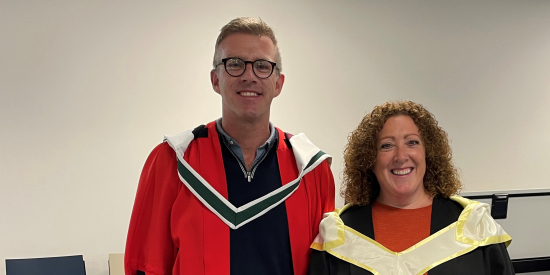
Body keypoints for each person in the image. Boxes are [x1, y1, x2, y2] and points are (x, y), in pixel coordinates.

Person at [124, 17, 335, 275]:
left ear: (278, 84)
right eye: (234, 64)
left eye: (262, 66)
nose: (249, 76)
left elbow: (325, 268)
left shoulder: (311, 170)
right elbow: (146, 265)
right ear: (215, 80)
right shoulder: (172, 162)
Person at [308, 101, 514, 275]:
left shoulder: (474, 226)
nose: (400, 156)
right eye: (386, 145)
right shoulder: (339, 234)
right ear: (369, 159)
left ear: (428, 153)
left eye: (412, 142)